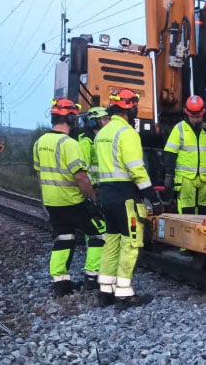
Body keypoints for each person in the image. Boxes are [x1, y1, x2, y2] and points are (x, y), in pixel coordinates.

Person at [95, 89, 164, 310]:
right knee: (131, 243)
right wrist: (153, 198)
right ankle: (124, 294)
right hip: (125, 197)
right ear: (129, 108)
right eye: (134, 106)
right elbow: (136, 170)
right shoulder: (127, 133)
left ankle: (105, 291)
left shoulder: (102, 134)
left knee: (112, 242)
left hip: (106, 194)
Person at [32, 98, 105, 297]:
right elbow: (81, 176)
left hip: (52, 202)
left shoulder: (39, 143)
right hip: (72, 201)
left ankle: (61, 284)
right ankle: (92, 277)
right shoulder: (69, 144)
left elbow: (39, 175)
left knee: (63, 238)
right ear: (71, 118)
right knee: (99, 233)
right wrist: (92, 201)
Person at [163, 95, 206, 215]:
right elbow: (170, 154)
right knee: (187, 214)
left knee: (205, 216)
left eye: (198, 116)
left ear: (203, 113)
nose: (196, 120)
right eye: (193, 117)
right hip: (186, 179)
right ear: (187, 114)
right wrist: (169, 177)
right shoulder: (180, 129)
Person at [78, 106, 110, 188]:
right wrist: (93, 188)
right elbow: (83, 171)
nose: (109, 122)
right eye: (106, 119)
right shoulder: (86, 143)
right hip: (94, 188)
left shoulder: (105, 140)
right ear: (95, 122)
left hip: (106, 187)